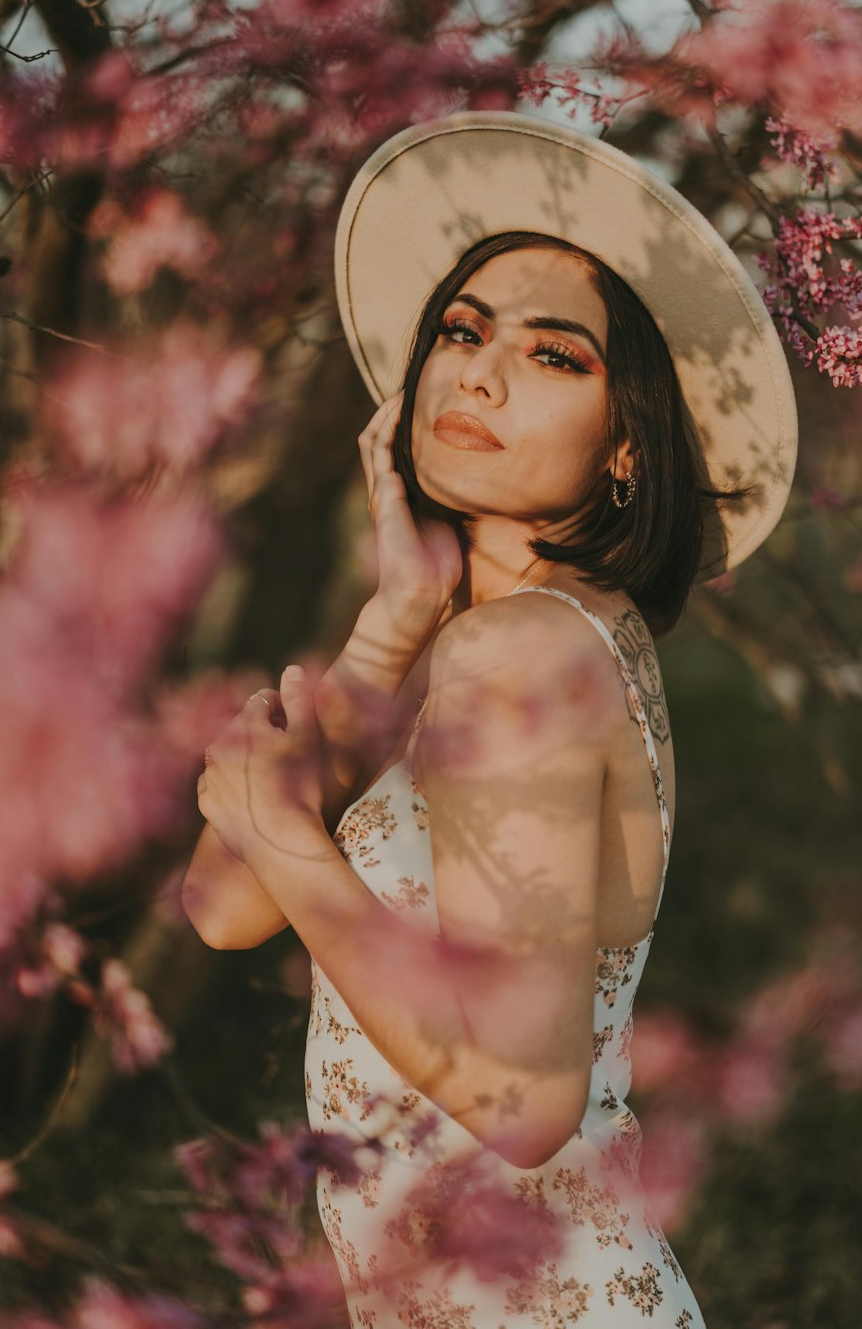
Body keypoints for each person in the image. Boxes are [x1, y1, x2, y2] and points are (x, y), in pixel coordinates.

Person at [182, 113, 798, 1327]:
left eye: (556, 356)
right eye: (461, 332)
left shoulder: (518, 651)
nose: (478, 371)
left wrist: (298, 842)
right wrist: (387, 624)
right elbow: (223, 905)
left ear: (628, 442)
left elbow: (523, 1102)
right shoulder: (509, 634)